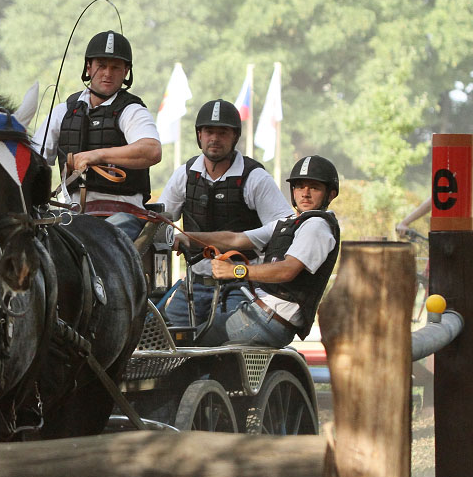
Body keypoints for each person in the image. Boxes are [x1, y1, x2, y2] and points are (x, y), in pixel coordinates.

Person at [174, 155, 341, 348]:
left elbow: (287, 270)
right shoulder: (288, 224)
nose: (305, 193)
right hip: (261, 313)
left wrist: (236, 271)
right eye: (299, 186)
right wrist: (187, 237)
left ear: (330, 194)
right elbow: (236, 239)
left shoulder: (317, 225)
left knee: (191, 345)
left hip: (270, 319)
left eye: (314, 187)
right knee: (196, 338)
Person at [158, 99, 292, 327]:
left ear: (235, 137)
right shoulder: (185, 174)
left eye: (223, 133)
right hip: (194, 282)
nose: (214, 139)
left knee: (227, 349)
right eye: (209, 131)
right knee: (168, 340)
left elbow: (285, 226)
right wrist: (170, 238)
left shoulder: (255, 178)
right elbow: (160, 221)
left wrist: (246, 240)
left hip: (241, 284)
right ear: (199, 135)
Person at [31, 30, 162, 239]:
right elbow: (33, 160)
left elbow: (152, 150)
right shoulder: (63, 111)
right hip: (71, 216)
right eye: (101, 65)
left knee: (98, 242)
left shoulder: (132, 110)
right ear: (88, 67)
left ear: (126, 71)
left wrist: (96, 156)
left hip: (123, 215)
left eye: (115, 67)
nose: (107, 73)